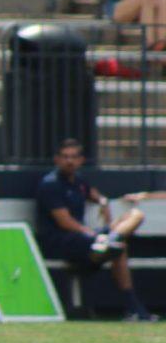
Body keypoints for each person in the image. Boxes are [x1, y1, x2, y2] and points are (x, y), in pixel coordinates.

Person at [35, 138, 155, 322]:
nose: (70, 161)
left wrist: (103, 202)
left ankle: (109, 241)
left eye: (74, 157)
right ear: (57, 160)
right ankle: (133, 307)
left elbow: (94, 194)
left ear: (81, 160)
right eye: (65, 157)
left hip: (90, 242)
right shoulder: (50, 184)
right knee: (118, 248)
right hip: (62, 242)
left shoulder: (79, 181)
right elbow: (65, 222)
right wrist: (89, 233)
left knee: (135, 215)